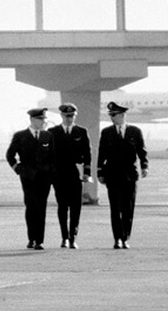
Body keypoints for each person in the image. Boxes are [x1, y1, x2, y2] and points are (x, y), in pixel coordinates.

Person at [97, 101, 148, 249]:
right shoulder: (107, 133)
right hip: (112, 175)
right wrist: (99, 171)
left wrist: (145, 166)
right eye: (110, 115)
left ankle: (125, 237)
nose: (112, 118)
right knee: (115, 208)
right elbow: (102, 153)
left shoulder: (135, 132)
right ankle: (117, 239)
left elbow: (142, 151)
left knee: (128, 208)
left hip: (130, 176)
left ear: (122, 115)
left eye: (114, 115)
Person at [6, 107, 54, 249]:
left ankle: (40, 240)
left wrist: (51, 174)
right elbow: (10, 155)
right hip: (28, 177)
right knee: (31, 206)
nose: (44, 121)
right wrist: (18, 169)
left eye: (44, 119)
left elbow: (53, 157)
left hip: (44, 178)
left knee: (42, 208)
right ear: (32, 120)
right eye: (41, 119)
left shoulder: (48, 136)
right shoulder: (20, 136)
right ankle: (32, 238)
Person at [48, 102, 91, 248]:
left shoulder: (81, 132)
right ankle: (64, 237)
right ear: (61, 116)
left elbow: (87, 154)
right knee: (62, 206)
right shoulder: (52, 132)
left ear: (75, 116)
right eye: (66, 116)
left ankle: (73, 237)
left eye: (71, 116)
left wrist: (87, 173)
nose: (69, 119)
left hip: (74, 173)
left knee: (76, 207)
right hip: (59, 175)